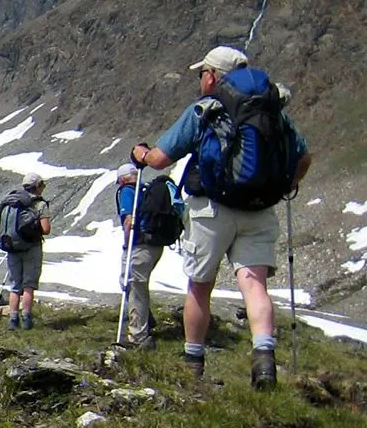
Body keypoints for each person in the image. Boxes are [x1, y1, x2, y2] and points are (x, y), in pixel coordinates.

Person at [130, 45, 311, 389]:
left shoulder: (205, 110)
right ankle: (264, 359)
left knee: (200, 286)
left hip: (212, 210)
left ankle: (193, 363)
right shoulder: (274, 112)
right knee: (254, 285)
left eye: (202, 73)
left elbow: (159, 159)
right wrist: (284, 186)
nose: (201, 79)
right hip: (259, 210)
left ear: (212, 75)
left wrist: (139, 152)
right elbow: (303, 158)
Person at [114, 164, 180, 349]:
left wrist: (128, 245)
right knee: (131, 283)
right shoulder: (147, 190)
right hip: (155, 244)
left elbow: (129, 220)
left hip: (140, 244)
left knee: (135, 286)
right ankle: (146, 320)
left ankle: (138, 335)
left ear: (123, 179)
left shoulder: (127, 191)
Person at [0, 172, 52, 330]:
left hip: (12, 247)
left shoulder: (11, 202)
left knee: (15, 285)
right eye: (43, 185)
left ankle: (12, 319)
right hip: (32, 247)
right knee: (28, 285)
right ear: (38, 186)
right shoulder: (39, 204)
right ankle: (26, 319)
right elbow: (46, 229)